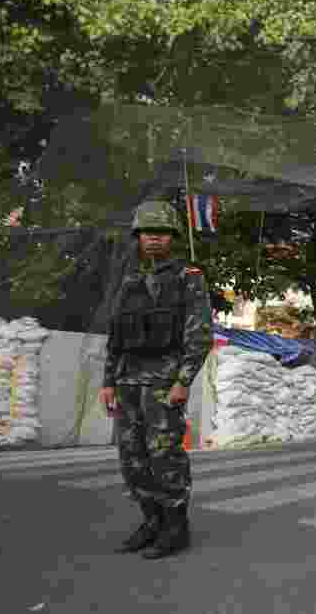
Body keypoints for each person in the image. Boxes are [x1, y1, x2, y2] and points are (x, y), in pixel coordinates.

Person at [98, 200, 214, 559]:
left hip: (164, 383)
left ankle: (175, 526)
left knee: (165, 457)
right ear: (138, 236)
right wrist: (107, 381)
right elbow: (116, 334)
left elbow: (200, 335)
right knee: (132, 458)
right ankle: (151, 521)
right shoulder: (130, 280)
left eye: (161, 232)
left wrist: (183, 381)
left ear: (172, 237)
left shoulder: (188, 277)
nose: (153, 238)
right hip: (128, 383)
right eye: (147, 232)